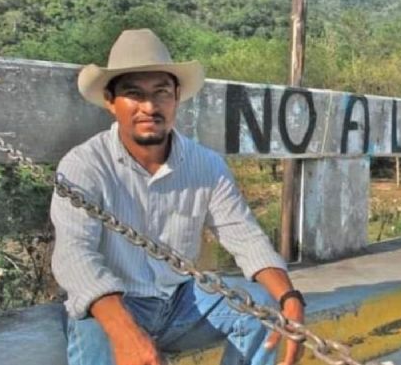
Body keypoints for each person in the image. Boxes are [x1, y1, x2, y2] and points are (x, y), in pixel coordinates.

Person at [50, 28, 305, 365]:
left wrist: (289, 297)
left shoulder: (206, 165)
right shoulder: (84, 165)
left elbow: (244, 236)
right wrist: (125, 331)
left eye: (161, 92)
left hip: (182, 302)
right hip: (113, 305)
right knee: (95, 326)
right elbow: (74, 255)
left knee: (263, 311)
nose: (149, 106)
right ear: (111, 101)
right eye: (133, 93)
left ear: (177, 97)